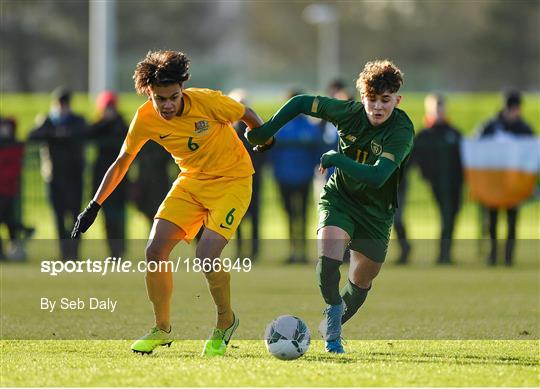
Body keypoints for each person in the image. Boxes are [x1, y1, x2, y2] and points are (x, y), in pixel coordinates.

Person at [71, 50, 269, 356]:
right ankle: (161, 329)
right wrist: (95, 204)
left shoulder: (207, 101)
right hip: (191, 181)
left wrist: (262, 137)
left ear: (182, 91)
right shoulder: (144, 119)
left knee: (206, 255)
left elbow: (245, 113)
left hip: (233, 181)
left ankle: (225, 322)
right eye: (159, 98)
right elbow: (123, 161)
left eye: (173, 97)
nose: (167, 105)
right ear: (149, 93)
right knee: (154, 251)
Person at [247, 60, 414, 353]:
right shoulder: (345, 113)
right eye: (372, 100)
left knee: (362, 278)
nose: (378, 107)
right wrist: (266, 131)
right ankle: (333, 317)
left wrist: (335, 158)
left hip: (376, 211)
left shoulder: (402, 130)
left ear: (397, 100)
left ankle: (330, 323)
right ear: (361, 98)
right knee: (328, 256)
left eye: (385, 101)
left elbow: (377, 177)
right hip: (340, 197)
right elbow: (300, 103)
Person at [476, 90, 534, 266]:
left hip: (514, 183)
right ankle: (492, 256)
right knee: (492, 221)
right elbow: (476, 148)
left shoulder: (524, 129)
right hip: (494, 183)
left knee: (512, 221)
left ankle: (509, 257)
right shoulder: (490, 126)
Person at [29, 87, 86, 260]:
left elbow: (85, 132)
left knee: (76, 217)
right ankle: (64, 253)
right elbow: (33, 135)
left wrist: (64, 134)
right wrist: (55, 133)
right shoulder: (48, 121)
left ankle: (74, 252)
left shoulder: (77, 121)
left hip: (74, 177)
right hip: (54, 178)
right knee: (59, 217)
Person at [410, 93, 463, 264]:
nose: (439, 111)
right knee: (445, 214)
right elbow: (413, 160)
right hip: (436, 183)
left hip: (455, 183)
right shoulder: (423, 135)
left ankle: (446, 253)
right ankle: (443, 254)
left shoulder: (454, 132)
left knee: (452, 215)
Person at [270, 89, 322, 264]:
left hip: (303, 176)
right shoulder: (281, 126)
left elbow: (317, 153)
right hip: (285, 176)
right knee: (291, 214)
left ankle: (301, 251)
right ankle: (294, 250)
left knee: (302, 215)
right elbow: (271, 153)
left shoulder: (309, 126)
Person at [88, 91, 128, 259]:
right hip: (101, 177)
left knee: (119, 216)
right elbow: (89, 132)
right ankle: (113, 251)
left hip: (120, 178)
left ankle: (120, 250)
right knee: (107, 217)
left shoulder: (122, 126)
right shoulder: (98, 126)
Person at [228, 89, 265, 262]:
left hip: (253, 178)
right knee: (238, 216)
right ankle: (241, 249)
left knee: (253, 214)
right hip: (235, 180)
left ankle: (253, 250)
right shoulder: (228, 130)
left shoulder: (253, 129)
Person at [0, 117, 34, 260]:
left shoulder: (14, 146)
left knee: (6, 219)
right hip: (6, 190)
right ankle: (23, 229)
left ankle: (21, 232)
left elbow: (12, 170)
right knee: (8, 220)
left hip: (7, 191)